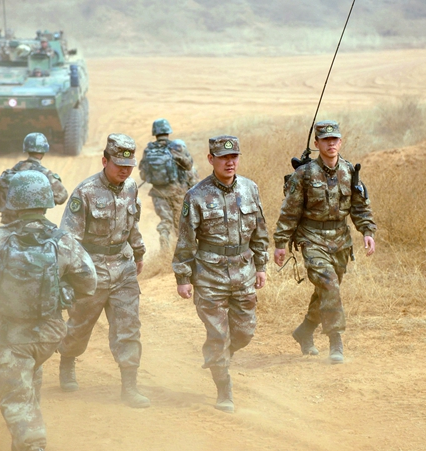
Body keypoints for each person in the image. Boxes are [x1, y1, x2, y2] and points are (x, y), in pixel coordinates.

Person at [0, 170, 97, 451]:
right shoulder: (62, 240)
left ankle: (33, 445)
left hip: (12, 336)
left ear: (13, 201)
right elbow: (89, 283)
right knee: (28, 387)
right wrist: (61, 289)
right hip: (49, 335)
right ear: (47, 200)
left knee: (16, 400)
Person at [172, 135, 269, 413]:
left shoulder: (250, 188)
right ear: (210, 159)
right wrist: (183, 277)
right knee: (218, 335)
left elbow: (260, 232)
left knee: (245, 332)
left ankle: (220, 354)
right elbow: (186, 240)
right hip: (209, 276)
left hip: (244, 272)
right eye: (223, 157)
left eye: (233, 157)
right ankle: (223, 388)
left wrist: (261, 266)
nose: (229, 162)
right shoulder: (196, 196)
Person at [57, 133, 150, 408]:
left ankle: (129, 387)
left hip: (123, 267)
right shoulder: (85, 192)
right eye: (119, 164)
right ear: (104, 161)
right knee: (79, 326)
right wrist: (68, 274)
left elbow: (133, 225)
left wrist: (139, 252)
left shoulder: (131, 187)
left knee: (128, 328)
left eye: (129, 165)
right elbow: (69, 238)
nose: (125, 171)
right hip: (91, 271)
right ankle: (67, 360)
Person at [273, 120, 377, 364]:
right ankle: (335, 340)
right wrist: (280, 242)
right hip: (312, 239)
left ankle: (305, 331)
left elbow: (359, 206)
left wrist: (367, 231)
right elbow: (290, 211)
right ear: (316, 143)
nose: (331, 144)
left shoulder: (349, 171)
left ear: (340, 142)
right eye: (326, 140)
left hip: (340, 241)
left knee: (328, 291)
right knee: (329, 285)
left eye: (335, 139)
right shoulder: (304, 174)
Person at [139, 118, 197, 249]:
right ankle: (181, 249)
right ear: (168, 131)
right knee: (179, 221)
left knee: (165, 220)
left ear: (155, 132)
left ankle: (164, 237)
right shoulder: (176, 147)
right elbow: (189, 166)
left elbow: (143, 175)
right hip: (177, 191)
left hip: (158, 193)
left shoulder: (149, 150)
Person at [0, 132, 68, 224]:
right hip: (32, 223)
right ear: (44, 150)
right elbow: (62, 195)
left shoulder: (15, 169)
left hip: (9, 222)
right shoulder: (44, 174)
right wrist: (44, 200)